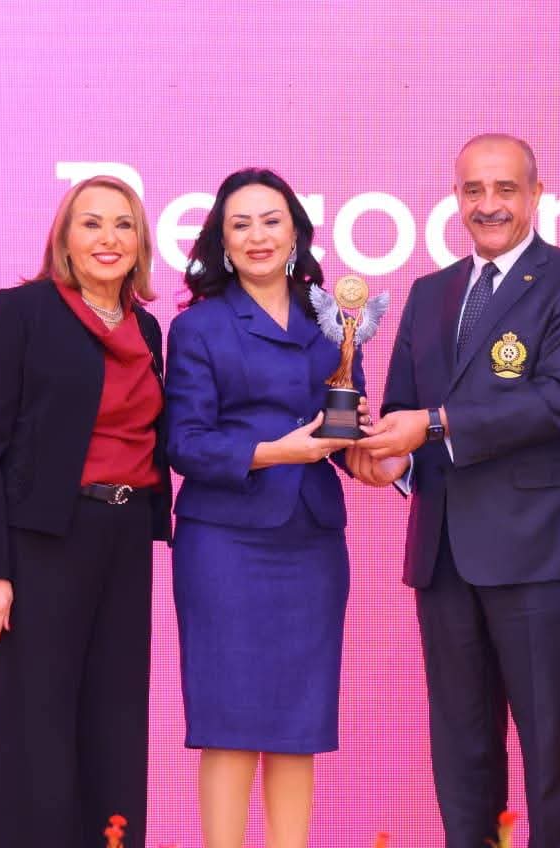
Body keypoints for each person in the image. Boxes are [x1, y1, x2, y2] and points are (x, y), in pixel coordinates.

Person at [353, 134, 560, 848]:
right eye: (474, 189)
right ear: (456, 197)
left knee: (550, 748)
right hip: (442, 556)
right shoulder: (429, 293)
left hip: (538, 554)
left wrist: (434, 425)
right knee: (461, 750)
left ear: (536, 194)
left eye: (505, 188)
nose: (488, 204)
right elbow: (402, 407)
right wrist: (389, 462)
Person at [0, 175, 172, 848]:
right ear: (64, 239)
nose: (108, 238)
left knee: (114, 725)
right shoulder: (21, 311)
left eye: (123, 224)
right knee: (32, 733)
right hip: (40, 545)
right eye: (91, 223)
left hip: (125, 540)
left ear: (141, 244)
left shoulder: (147, 327)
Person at [165, 168, 364, 848]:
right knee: (228, 720)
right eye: (240, 224)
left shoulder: (331, 320)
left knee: (296, 725)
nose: (258, 236)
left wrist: (378, 457)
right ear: (221, 241)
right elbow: (185, 443)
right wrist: (275, 452)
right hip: (225, 544)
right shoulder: (199, 326)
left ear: (296, 233)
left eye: (271, 221)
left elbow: (344, 429)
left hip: (311, 541)